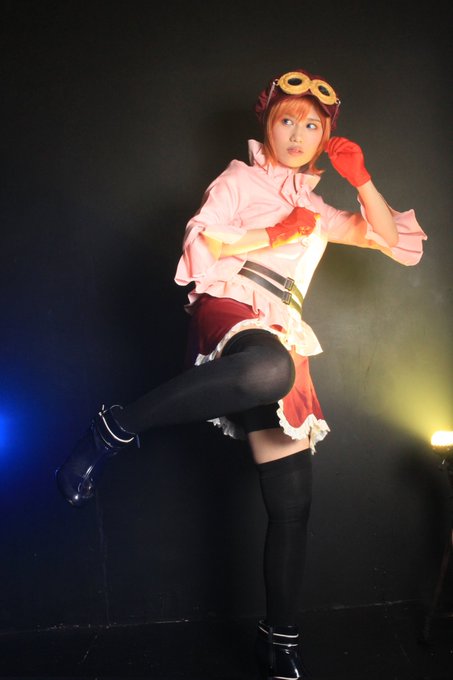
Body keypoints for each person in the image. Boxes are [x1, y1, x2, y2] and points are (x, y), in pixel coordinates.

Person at [56, 68, 427, 679]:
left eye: (312, 125)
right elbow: (200, 243)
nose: (298, 134)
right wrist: (272, 232)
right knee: (269, 368)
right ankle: (113, 428)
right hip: (232, 303)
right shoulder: (238, 178)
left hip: (283, 324)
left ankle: (279, 641)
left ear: (326, 137)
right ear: (268, 124)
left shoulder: (320, 208)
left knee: (293, 500)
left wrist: (362, 182)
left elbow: (399, 245)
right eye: (287, 120)